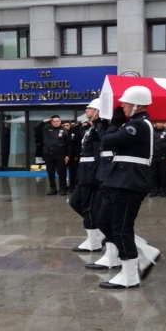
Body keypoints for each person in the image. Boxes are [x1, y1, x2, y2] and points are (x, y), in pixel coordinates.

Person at [97, 86, 160, 289]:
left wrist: (114, 124)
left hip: (130, 181)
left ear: (137, 105)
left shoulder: (139, 125)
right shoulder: (133, 123)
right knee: (104, 221)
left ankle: (130, 274)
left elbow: (108, 141)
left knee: (121, 227)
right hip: (120, 179)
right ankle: (144, 251)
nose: (122, 106)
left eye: (126, 103)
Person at [69, 99, 106, 254]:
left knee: (88, 206)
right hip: (85, 171)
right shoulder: (91, 128)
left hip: (91, 172)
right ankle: (98, 232)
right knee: (75, 201)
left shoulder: (100, 128)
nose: (86, 110)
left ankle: (94, 240)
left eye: (89, 108)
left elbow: (99, 153)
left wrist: (95, 174)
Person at [34, 115, 71, 195]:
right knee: (50, 172)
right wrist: (44, 121)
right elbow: (36, 127)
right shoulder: (46, 129)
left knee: (62, 172)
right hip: (48, 155)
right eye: (54, 121)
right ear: (51, 122)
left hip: (60, 155)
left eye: (57, 121)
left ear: (60, 122)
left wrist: (68, 155)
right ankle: (53, 188)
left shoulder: (65, 131)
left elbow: (69, 144)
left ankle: (62, 189)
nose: (56, 123)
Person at [149, 122, 166, 197]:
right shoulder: (151, 133)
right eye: (156, 123)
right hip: (153, 156)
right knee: (153, 173)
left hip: (163, 156)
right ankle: (154, 190)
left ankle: (163, 190)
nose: (158, 124)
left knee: (163, 173)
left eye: (160, 123)